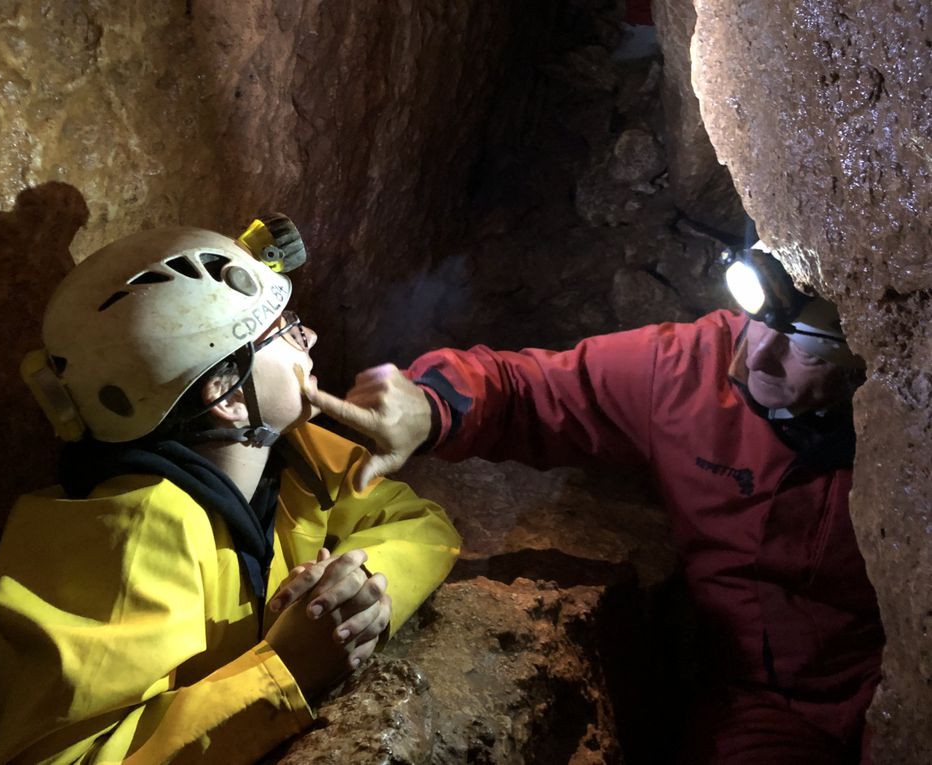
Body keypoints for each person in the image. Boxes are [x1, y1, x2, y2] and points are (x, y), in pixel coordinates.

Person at [303, 240, 884, 764]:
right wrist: (433, 407)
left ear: (867, 362)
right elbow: (527, 390)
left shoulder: (905, 437)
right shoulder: (691, 372)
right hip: (764, 707)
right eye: (757, 319)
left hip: (895, 685)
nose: (757, 355)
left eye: (803, 349)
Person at [0, 219, 460, 763]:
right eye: (285, 328)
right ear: (225, 394)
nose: (310, 336)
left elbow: (423, 524)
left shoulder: (290, 456)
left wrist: (358, 590)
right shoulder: (134, 539)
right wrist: (284, 670)